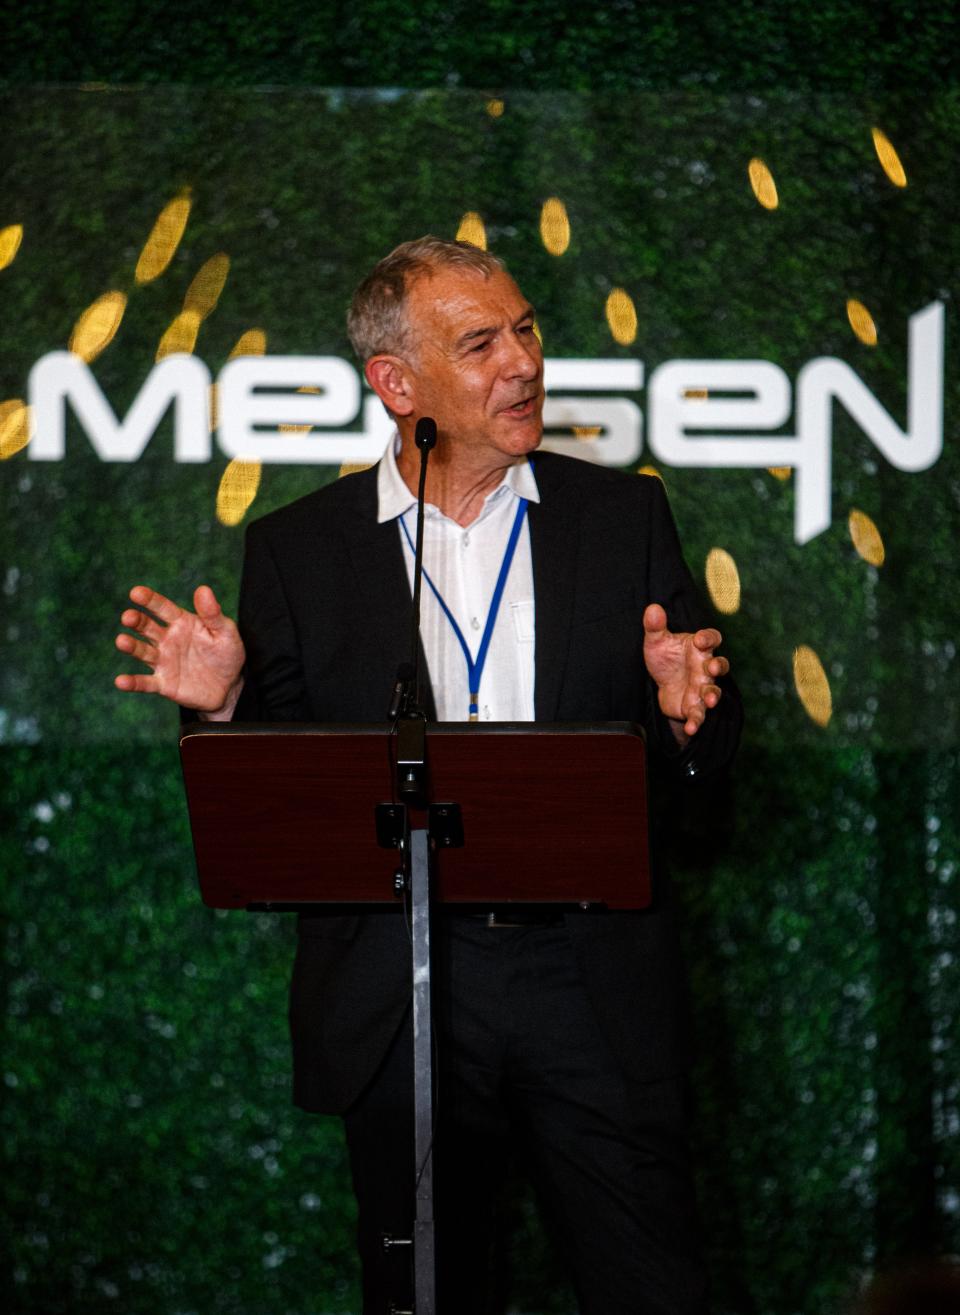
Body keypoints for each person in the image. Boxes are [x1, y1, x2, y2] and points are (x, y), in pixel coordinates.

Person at [115, 236, 742, 1314]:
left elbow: (704, 790)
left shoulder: (623, 520)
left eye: (528, 330)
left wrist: (689, 719)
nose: (524, 364)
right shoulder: (300, 552)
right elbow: (286, 806)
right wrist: (225, 706)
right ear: (397, 384)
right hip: (402, 990)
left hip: (587, 982)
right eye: (482, 343)